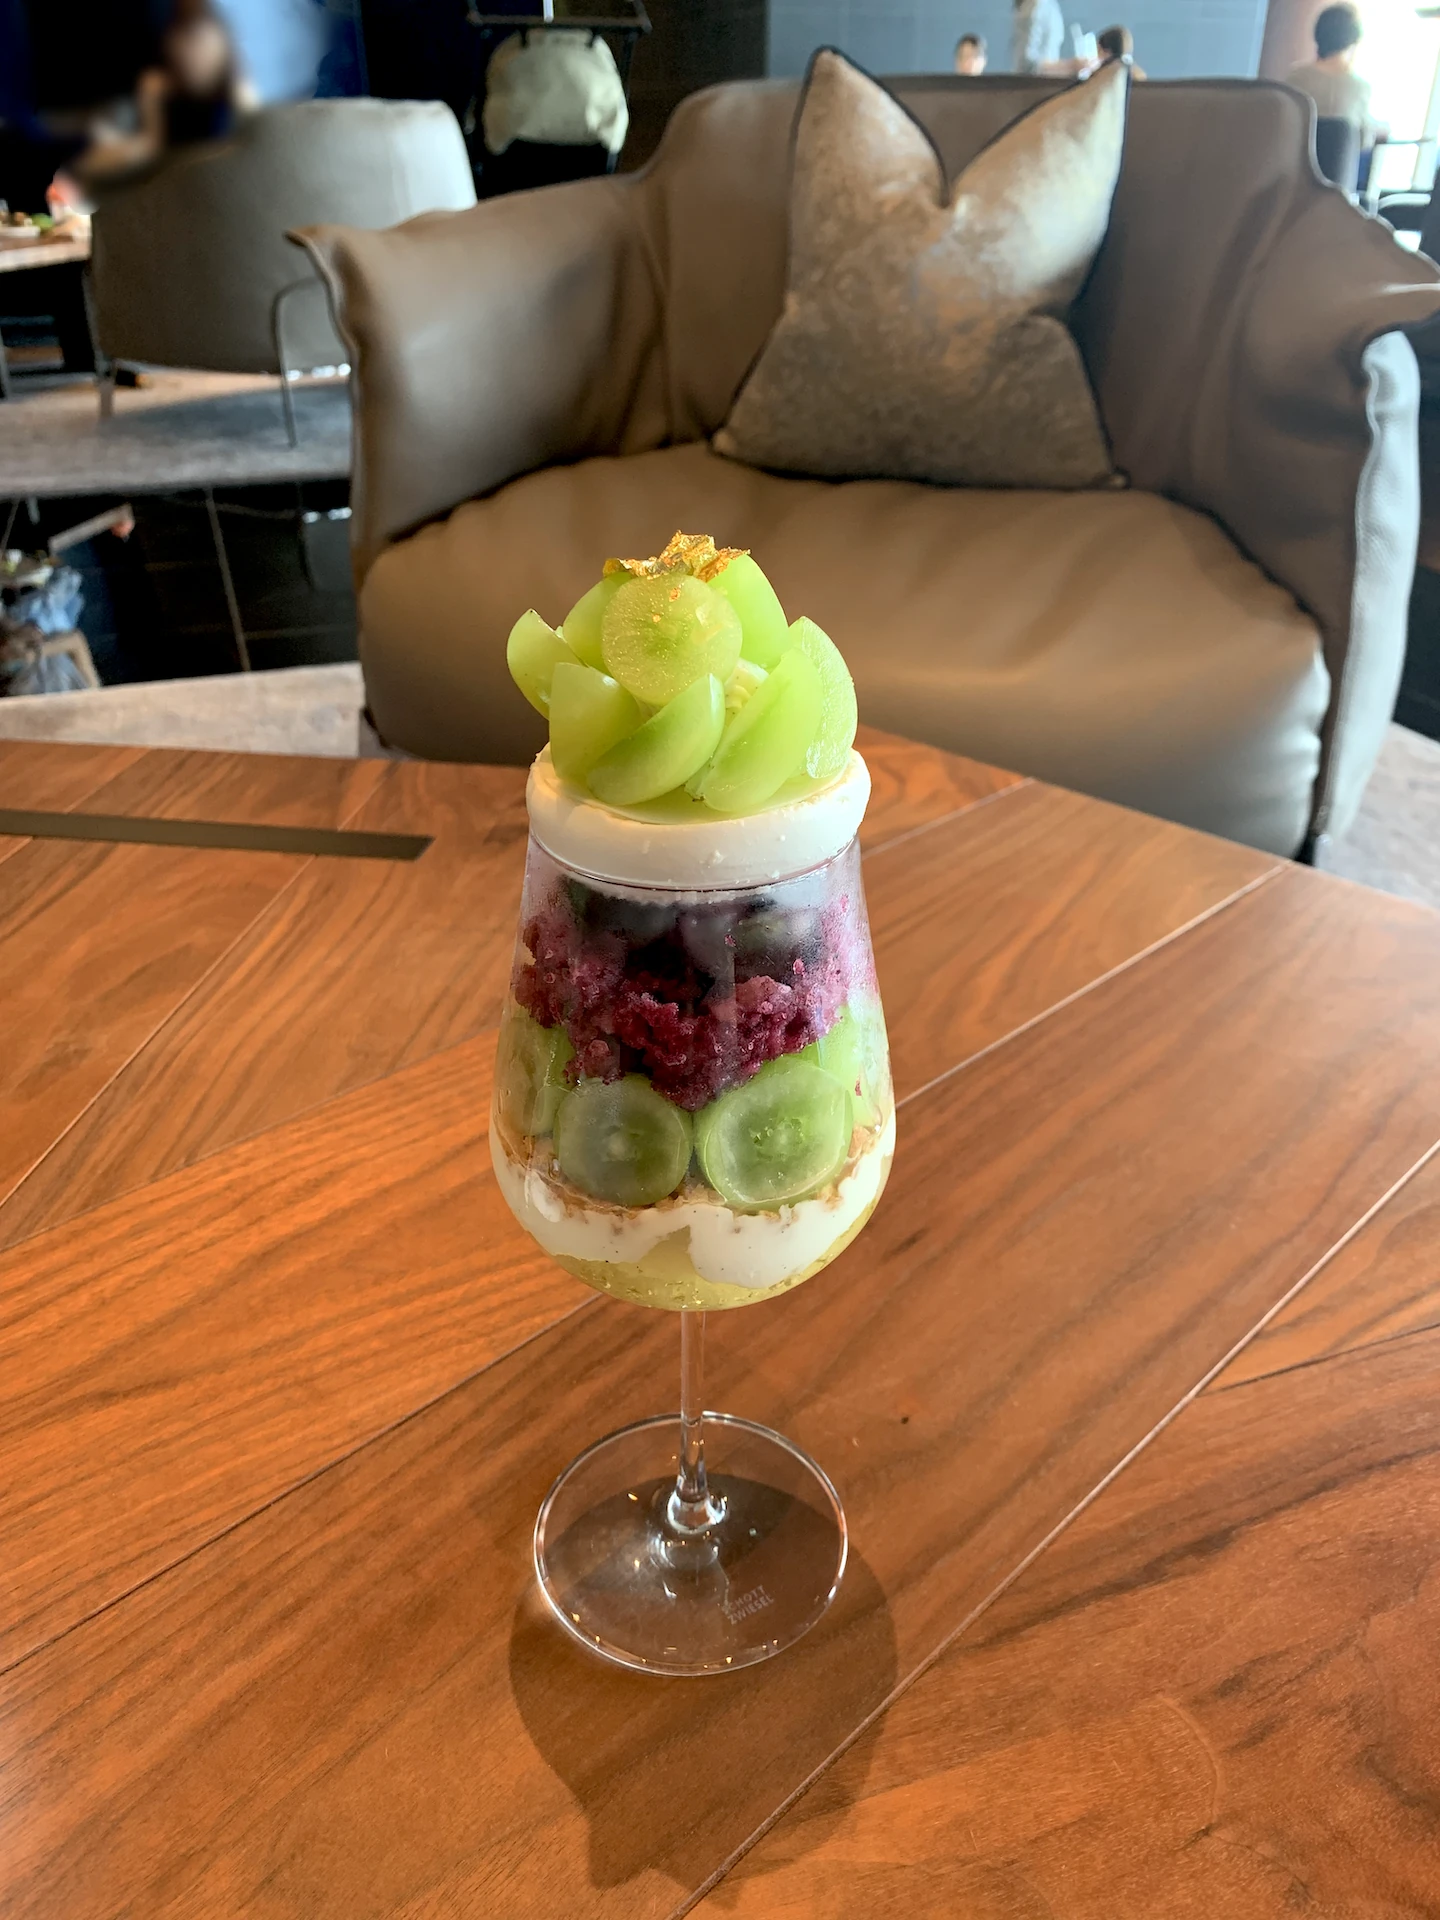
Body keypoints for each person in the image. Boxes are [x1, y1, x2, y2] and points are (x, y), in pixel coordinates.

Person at [1287, 3, 1386, 147]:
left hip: (1292, 162)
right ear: (1353, 41)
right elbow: (1364, 142)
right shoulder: (1359, 88)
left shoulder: (1295, 77)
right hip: (1338, 162)